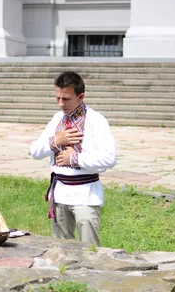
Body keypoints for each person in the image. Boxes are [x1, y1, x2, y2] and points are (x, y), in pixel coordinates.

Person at [30, 71, 116, 246]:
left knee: (90, 251)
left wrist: (75, 158)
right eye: (58, 99)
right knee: (61, 251)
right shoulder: (56, 120)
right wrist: (56, 141)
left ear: (81, 96)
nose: (61, 104)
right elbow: (35, 151)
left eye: (66, 99)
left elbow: (109, 158)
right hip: (60, 194)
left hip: (86, 196)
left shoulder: (96, 120)